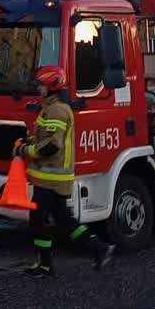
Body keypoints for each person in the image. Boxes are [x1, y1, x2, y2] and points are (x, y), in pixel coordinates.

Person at [18, 65, 113, 278]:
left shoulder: (57, 110)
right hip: (54, 178)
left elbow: (52, 146)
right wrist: (29, 140)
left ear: (52, 87)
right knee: (64, 221)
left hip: (51, 178)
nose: (39, 89)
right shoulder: (52, 107)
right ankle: (99, 248)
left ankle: (45, 264)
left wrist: (25, 150)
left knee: (37, 220)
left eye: (42, 85)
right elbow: (46, 138)